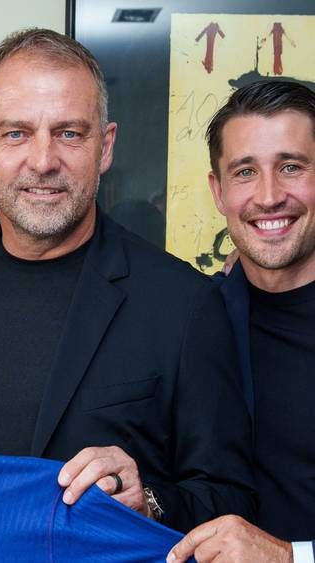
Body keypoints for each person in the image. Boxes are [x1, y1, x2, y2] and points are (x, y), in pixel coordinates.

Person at [0, 28, 254, 533]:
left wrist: (149, 500)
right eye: (16, 133)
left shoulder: (183, 303)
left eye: (69, 133)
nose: (43, 161)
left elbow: (229, 497)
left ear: (105, 146)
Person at [167, 80, 315, 562]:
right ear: (218, 190)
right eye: (245, 172)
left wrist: (290, 556)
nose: (269, 197)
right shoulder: (190, 318)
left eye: (291, 167)